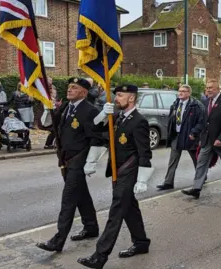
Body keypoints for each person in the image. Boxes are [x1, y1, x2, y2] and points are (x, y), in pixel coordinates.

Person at [77, 85, 153, 269]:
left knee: (116, 212)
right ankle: (141, 243)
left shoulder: (139, 121)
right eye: (116, 95)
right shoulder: (118, 117)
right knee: (129, 208)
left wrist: (142, 179)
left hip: (129, 171)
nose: (115, 98)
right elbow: (93, 130)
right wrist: (103, 114)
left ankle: (100, 256)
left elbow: (145, 152)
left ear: (131, 98)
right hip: (117, 171)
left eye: (120, 95)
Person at [36, 77, 104, 253]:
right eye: (69, 87)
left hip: (78, 161)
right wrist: (47, 107)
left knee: (68, 199)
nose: (69, 90)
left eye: (74, 88)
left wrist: (91, 162)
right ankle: (91, 227)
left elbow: (97, 138)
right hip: (65, 159)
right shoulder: (66, 107)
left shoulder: (90, 111)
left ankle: (58, 241)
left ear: (84, 92)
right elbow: (47, 124)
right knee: (81, 194)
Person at [182, 79, 221, 199]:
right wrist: (196, 133)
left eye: (211, 87)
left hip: (220, 141)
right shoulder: (205, 102)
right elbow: (204, 121)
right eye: (207, 88)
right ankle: (196, 188)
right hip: (206, 140)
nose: (208, 90)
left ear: (217, 88)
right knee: (201, 163)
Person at [156, 85, 205, 190]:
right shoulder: (175, 104)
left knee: (196, 159)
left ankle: (201, 178)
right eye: (179, 91)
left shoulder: (196, 105)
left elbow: (201, 122)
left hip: (189, 136)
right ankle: (168, 182)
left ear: (189, 93)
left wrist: (194, 132)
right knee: (173, 160)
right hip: (177, 136)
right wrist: (170, 131)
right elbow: (172, 119)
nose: (180, 93)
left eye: (183, 91)